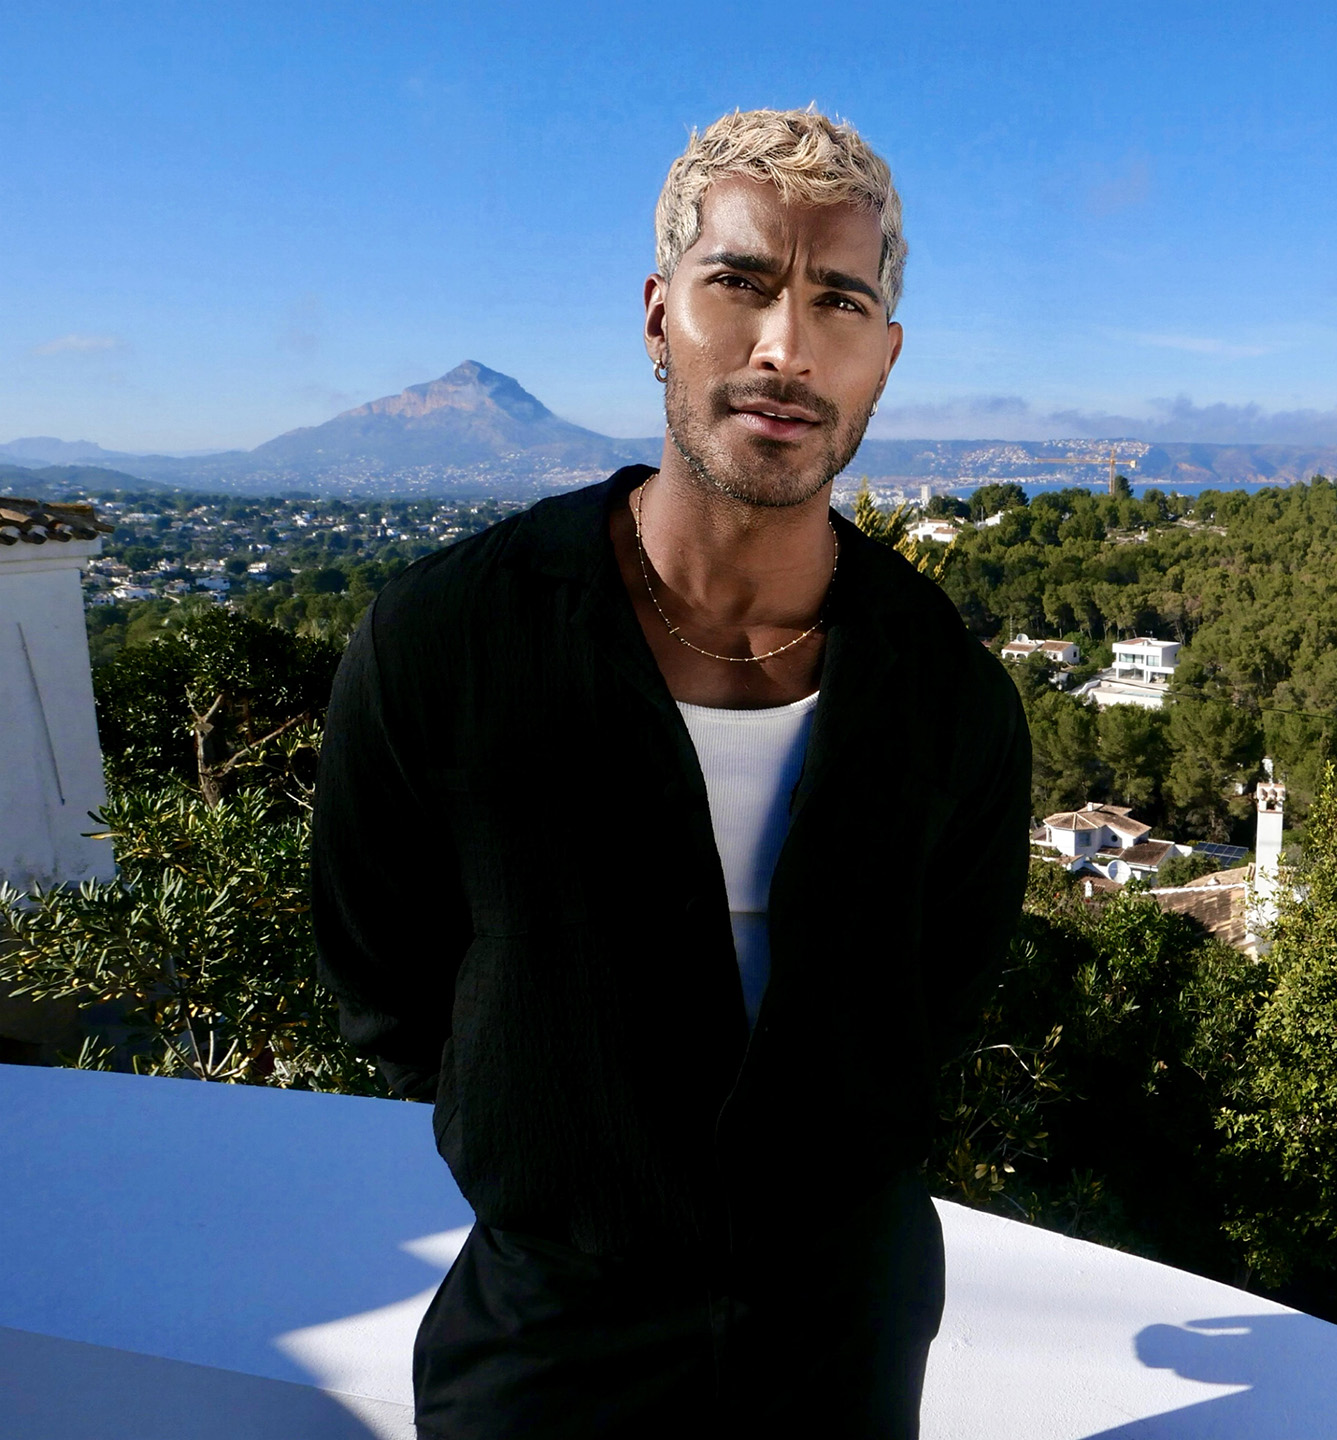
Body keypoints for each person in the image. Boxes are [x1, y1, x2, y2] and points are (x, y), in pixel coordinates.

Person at [311, 108, 1031, 1439]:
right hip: (546, 1338)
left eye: (839, 301)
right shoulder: (448, 640)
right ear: (659, 316)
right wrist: (562, 1151)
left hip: (843, 1338)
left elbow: (936, 1003)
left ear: (884, 355)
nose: (786, 347)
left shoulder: (950, 695)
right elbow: (385, 974)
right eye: (741, 281)